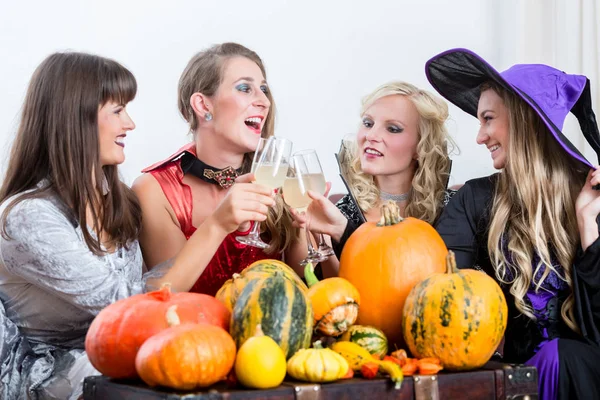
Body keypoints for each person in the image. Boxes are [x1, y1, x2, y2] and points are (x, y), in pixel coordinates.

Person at [0, 51, 276, 399]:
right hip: (58, 379)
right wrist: (217, 225)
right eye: (118, 111)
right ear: (75, 119)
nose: (129, 124)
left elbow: (148, 286)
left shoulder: (114, 199)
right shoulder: (29, 218)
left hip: (121, 367)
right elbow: (123, 307)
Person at [428, 48, 600, 400]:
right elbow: (436, 290)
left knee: (561, 356)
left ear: (524, 119)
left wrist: (589, 231)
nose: (479, 136)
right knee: (552, 359)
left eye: (488, 119)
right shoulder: (475, 201)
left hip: (588, 373)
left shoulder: (593, 196)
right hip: (517, 382)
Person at [133, 43, 305, 295]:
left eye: (264, 89)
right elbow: (168, 298)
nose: (264, 102)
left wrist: (305, 227)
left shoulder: (281, 178)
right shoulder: (155, 190)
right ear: (203, 106)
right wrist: (219, 222)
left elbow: (306, 289)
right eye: (245, 88)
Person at [292, 81, 457, 277]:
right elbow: (337, 295)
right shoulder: (339, 214)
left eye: (393, 128)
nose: (371, 135)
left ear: (421, 147)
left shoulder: (454, 209)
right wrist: (324, 240)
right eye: (368, 123)